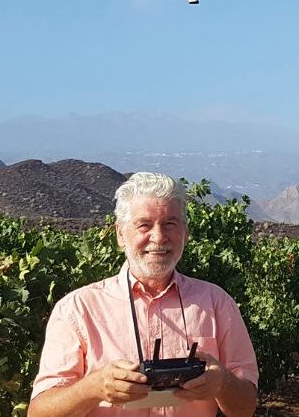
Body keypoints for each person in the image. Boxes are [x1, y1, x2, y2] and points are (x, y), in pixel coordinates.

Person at [29, 172, 259, 417]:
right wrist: (93, 387)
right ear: (120, 234)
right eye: (144, 225)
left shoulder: (217, 303)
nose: (159, 237)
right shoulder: (77, 309)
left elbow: (244, 408)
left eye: (170, 224)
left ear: (186, 234)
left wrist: (222, 382)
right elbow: (39, 412)